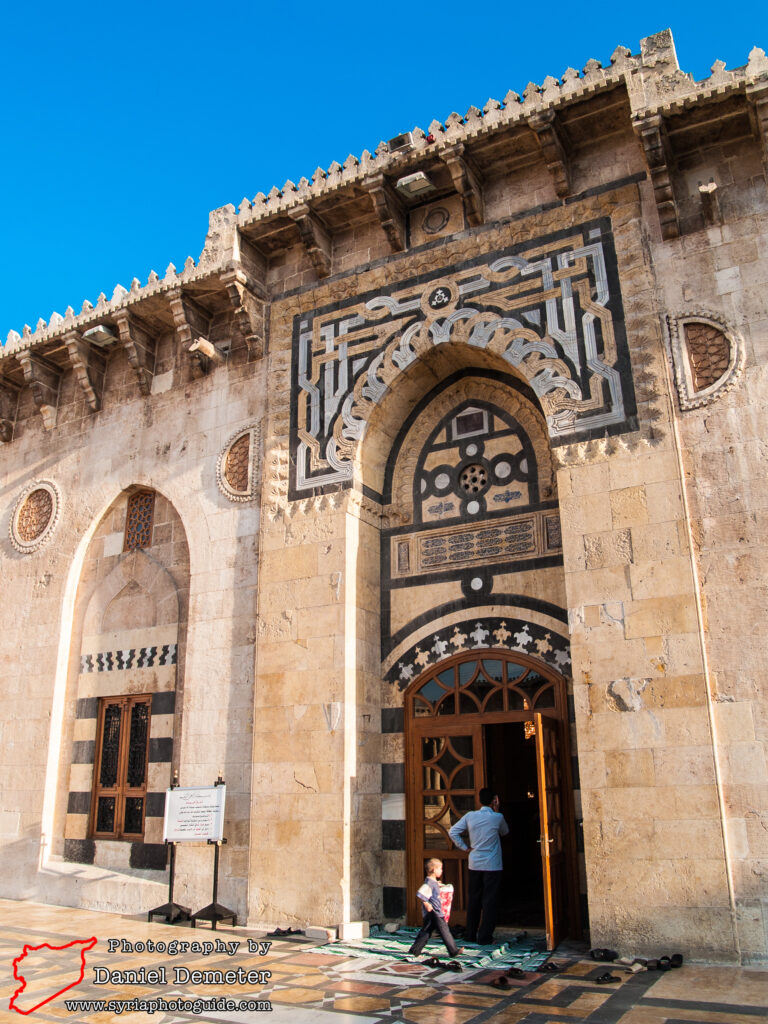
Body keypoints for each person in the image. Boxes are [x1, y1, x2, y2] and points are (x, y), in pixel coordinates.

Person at [448, 787, 509, 945]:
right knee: (489, 900)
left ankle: (470, 934)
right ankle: (485, 936)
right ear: (494, 800)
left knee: (474, 899)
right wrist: (497, 809)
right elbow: (505, 832)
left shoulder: (470, 816)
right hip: (492, 864)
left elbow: (453, 831)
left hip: (475, 862)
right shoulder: (497, 817)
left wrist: (465, 847)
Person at [408, 857, 464, 959]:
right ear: (434, 870)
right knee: (444, 931)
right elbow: (420, 893)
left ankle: (415, 950)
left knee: (426, 931)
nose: (441, 871)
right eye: (440, 869)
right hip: (435, 912)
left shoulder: (433, 882)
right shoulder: (429, 883)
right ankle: (453, 951)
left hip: (433, 913)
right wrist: (427, 904)